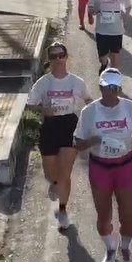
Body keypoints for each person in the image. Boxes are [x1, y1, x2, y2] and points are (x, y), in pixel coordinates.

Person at [74, 70, 132, 262]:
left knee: (128, 215)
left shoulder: (130, 108)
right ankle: (110, 248)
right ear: (100, 87)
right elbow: (78, 143)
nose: (110, 92)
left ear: (120, 89)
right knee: (104, 216)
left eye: (114, 88)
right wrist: (93, 140)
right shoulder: (89, 112)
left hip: (125, 166)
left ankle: (125, 248)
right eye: (106, 87)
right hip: (100, 167)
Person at [26, 43, 92, 231]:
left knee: (65, 174)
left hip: (69, 125)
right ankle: (54, 183)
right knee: (51, 174)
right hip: (49, 127)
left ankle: (63, 211)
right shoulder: (43, 83)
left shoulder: (76, 82)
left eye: (60, 55)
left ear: (66, 57)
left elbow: (88, 100)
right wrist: (42, 109)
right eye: (53, 56)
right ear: (49, 59)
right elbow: (30, 105)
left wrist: (91, 116)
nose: (57, 59)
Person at [87, 0, 131, 72]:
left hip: (116, 30)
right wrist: (93, 11)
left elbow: (127, 6)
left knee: (115, 56)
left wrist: (125, 15)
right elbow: (90, 7)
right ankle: (104, 63)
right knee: (102, 56)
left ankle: (113, 77)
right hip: (102, 30)